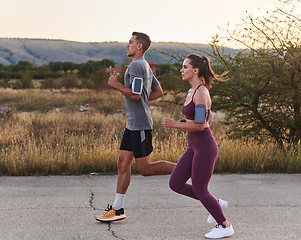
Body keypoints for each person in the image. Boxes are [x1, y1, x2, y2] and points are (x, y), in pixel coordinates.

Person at [95, 32, 176, 222]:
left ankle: (185, 168)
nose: (127, 45)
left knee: (145, 169)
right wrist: (141, 100)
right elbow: (158, 92)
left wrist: (115, 85)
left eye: (130, 42)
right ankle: (117, 209)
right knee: (122, 163)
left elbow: (135, 95)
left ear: (139, 46)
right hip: (132, 125)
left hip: (140, 125)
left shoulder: (136, 66)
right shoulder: (145, 66)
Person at [162, 54, 234, 239]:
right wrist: (186, 121)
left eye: (185, 67)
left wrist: (175, 125)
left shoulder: (201, 93)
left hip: (204, 145)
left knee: (200, 189)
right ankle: (216, 203)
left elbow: (201, 126)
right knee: (175, 183)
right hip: (193, 146)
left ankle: (224, 225)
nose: (181, 70)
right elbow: (196, 120)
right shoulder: (191, 92)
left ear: (195, 70)